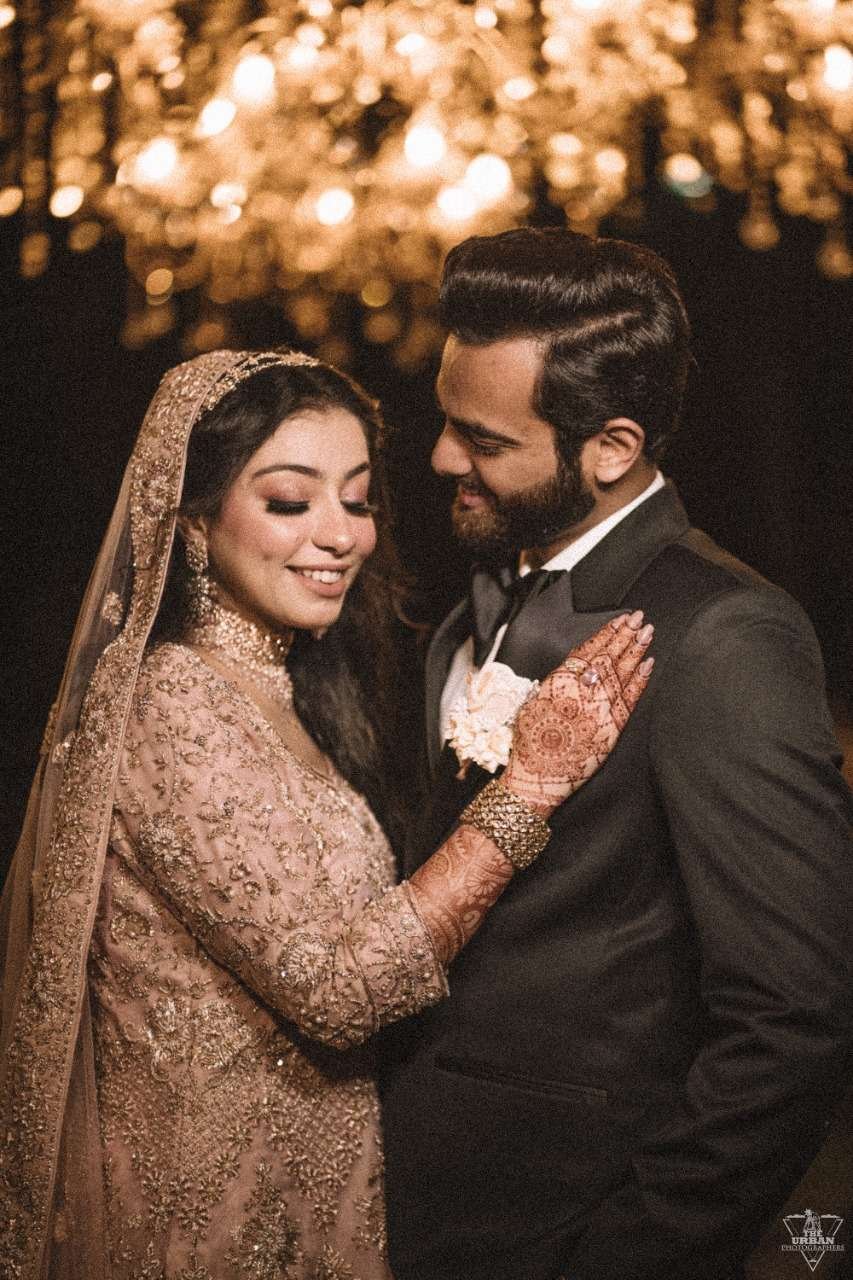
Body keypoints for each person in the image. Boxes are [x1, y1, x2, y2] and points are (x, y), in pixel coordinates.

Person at [0, 348, 653, 1280]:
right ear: (193, 522)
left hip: (319, 1202)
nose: (341, 535)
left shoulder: (290, 690)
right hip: (208, 1226)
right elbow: (340, 993)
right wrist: (529, 790)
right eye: (288, 501)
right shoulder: (175, 703)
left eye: (357, 500)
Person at [380, 228, 853, 1280]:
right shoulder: (469, 607)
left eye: (482, 439)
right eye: (446, 421)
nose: (441, 458)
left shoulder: (723, 636)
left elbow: (793, 1021)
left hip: (561, 1229)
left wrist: (634, 1254)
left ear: (611, 447)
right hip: (409, 1212)